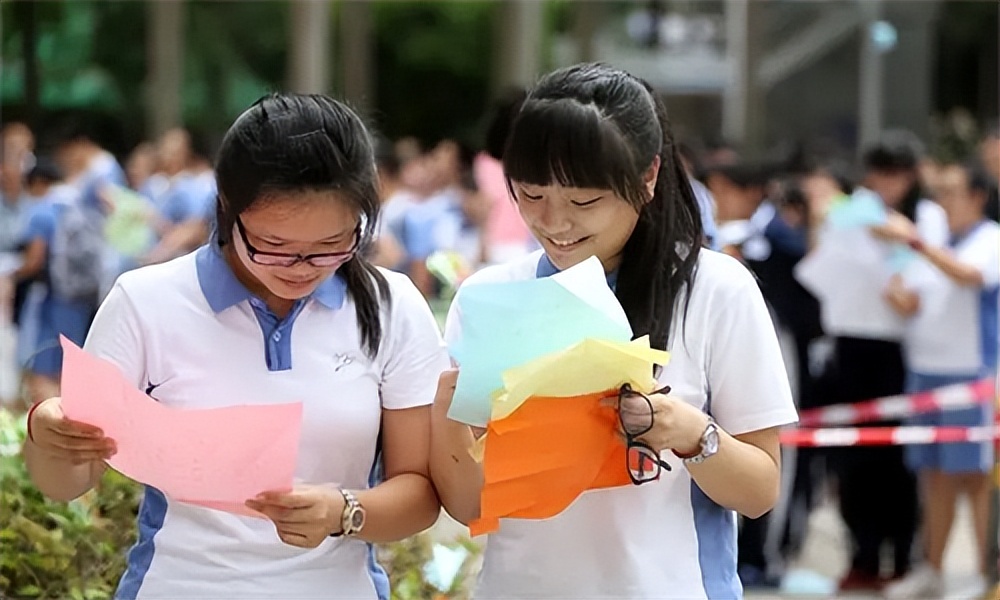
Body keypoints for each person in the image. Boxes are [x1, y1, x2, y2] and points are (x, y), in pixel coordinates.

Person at [23, 93, 447, 598]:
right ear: (226, 206)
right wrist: (50, 435)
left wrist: (344, 511)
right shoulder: (146, 302)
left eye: (332, 245)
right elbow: (67, 483)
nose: (302, 268)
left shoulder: (391, 304)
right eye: (274, 246)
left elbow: (420, 493)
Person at [429, 63, 797, 599]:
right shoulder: (489, 298)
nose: (554, 222)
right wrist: (448, 417)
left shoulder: (717, 291)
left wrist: (692, 435)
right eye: (530, 195)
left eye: (583, 202)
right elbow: (467, 504)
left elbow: (760, 490)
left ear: (647, 178)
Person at [880, 162, 998, 600]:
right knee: (931, 475)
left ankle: (985, 573)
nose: (944, 201)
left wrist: (915, 241)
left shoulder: (989, 240)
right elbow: (915, 300)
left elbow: (969, 276)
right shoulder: (934, 245)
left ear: (977, 197)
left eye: (953, 191)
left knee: (972, 476)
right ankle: (933, 567)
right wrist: (897, 293)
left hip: (969, 375)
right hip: (924, 371)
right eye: (941, 192)